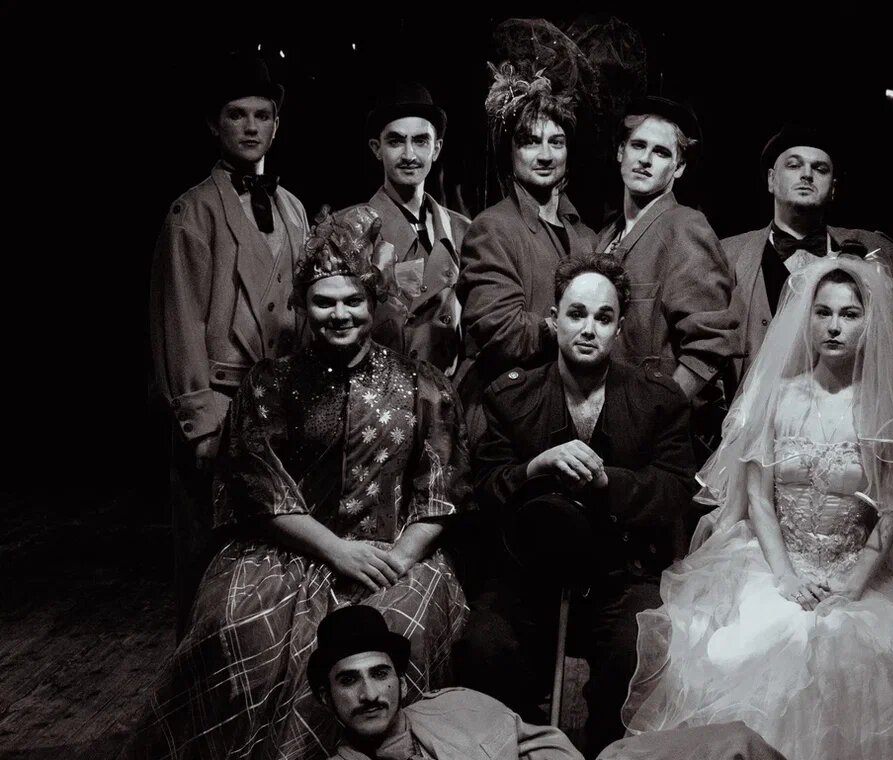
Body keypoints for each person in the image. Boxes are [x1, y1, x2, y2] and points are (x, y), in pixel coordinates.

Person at [621, 257, 893, 759]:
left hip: (852, 572)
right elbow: (758, 498)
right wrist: (786, 577)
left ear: (869, 324)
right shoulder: (775, 398)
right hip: (773, 565)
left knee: (883, 661)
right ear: (807, 319)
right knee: (755, 647)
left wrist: (853, 584)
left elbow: (892, 512)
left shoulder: (883, 410)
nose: (834, 326)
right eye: (824, 312)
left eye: (850, 314)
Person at [123, 206, 470, 760]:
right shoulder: (269, 384)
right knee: (236, 625)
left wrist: (398, 559)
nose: (340, 314)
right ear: (303, 306)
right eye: (324, 302)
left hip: (391, 552)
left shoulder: (420, 384)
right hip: (284, 554)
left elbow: (440, 491)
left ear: (373, 300)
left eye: (352, 300)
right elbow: (257, 487)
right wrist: (336, 551)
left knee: (398, 627)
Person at [462, 255, 696, 757]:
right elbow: (483, 488)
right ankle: (523, 748)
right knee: (486, 642)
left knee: (638, 646)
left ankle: (606, 751)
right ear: (554, 319)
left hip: (619, 575)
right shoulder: (510, 397)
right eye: (576, 314)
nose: (589, 328)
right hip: (529, 577)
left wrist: (608, 481)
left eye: (603, 317)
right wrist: (535, 467)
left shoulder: (658, 399)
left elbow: (674, 489)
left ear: (620, 328)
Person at [150, 53, 309, 634]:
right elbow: (179, 322)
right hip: (223, 408)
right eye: (236, 115)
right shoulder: (191, 211)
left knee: (278, 565)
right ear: (214, 126)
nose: (250, 126)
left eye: (262, 115)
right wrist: (202, 422)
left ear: (276, 125)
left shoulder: (293, 207)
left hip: (285, 409)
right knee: (208, 566)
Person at [723, 123, 893, 388]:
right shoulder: (728, 255)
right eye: (794, 165)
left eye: (820, 169)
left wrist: (875, 384)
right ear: (771, 180)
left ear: (833, 188)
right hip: (753, 409)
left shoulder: (880, 252)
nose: (807, 175)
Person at [456, 64, 597, 431]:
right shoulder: (493, 228)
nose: (545, 155)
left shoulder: (585, 236)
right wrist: (570, 326)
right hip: (505, 411)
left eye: (556, 142)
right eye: (530, 141)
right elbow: (500, 331)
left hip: (566, 408)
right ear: (511, 152)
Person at [594, 96, 736, 402]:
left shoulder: (685, 226)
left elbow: (710, 345)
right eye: (638, 145)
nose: (645, 159)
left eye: (661, 152)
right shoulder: (606, 236)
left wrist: (662, 414)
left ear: (678, 167)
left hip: (649, 420)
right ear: (620, 152)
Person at [309, 605, 582, 760]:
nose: (369, 694)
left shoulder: (460, 708)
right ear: (326, 697)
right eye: (348, 680)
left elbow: (549, 748)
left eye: (380, 674)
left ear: (402, 685)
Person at [358, 80, 470, 375]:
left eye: (420, 141)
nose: (409, 155)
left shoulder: (464, 231)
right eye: (396, 141)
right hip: (380, 392)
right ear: (376, 148)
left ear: (437, 148)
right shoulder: (352, 231)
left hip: (447, 392)